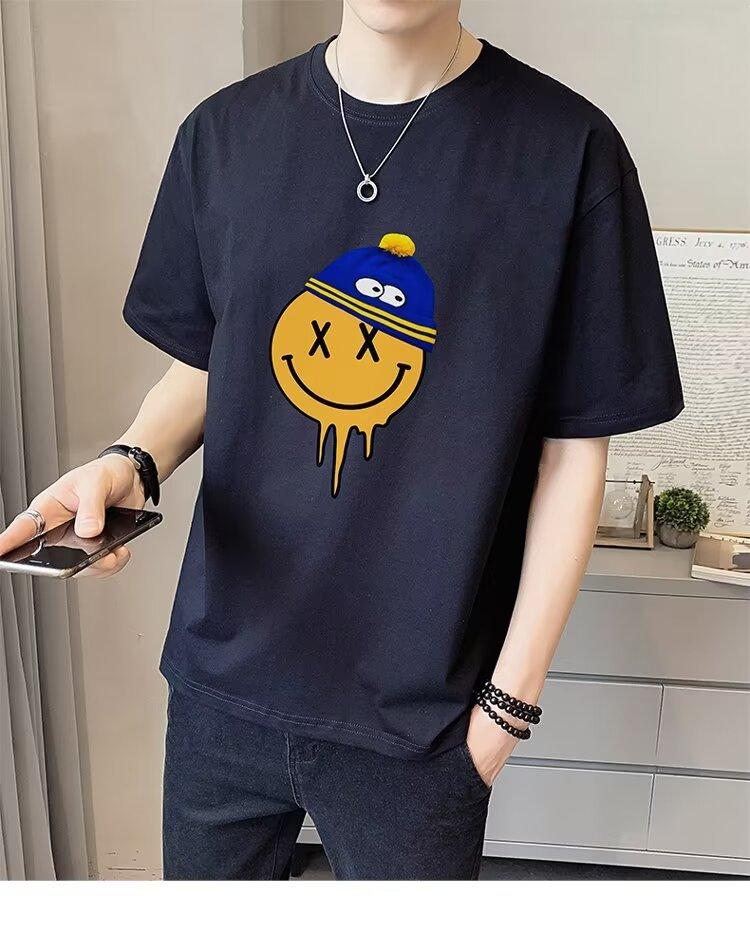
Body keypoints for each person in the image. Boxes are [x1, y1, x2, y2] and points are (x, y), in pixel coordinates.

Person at [0, 0, 683, 880]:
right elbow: (216, 360)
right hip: (221, 690)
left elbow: (574, 448)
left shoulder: (569, 151)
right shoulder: (224, 134)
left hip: (421, 718)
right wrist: (129, 459)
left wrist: (507, 709)